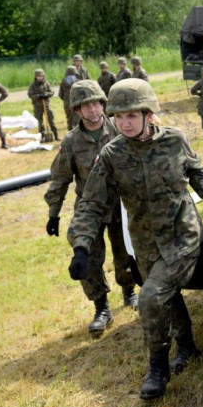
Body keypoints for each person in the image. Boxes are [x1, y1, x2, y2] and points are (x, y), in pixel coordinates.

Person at [68, 78, 203, 400]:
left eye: (131, 115)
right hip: (145, 244)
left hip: (182, 237)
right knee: (167, 295)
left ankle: (158, 367)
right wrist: (81, 245)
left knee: (152, 297)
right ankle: (187, 346)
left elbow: (196, 172)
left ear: (149, 113)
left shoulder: (175, 140)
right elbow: (90, 204)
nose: (124, 123)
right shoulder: (112, 155)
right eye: (119, 117)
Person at [46, 80, 136, 336]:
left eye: (96, 103)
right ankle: (102, 307)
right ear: (77, 110)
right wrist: (53, 214)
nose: (93, 110)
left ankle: (129, 292)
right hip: (91, 209)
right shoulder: (72, 142)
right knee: (88, 259)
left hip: (121, 205)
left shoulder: (119, 129)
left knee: (126, 253)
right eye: (86, 106)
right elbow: (60, 178)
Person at [27, 68, 58, 142]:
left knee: (51, 119)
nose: (40, 77)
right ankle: (42, 136)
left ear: (43, 76)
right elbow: (30, 94)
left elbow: (52, 91)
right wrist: (38, 96)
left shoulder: (46, 83)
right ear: (35, 77)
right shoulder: (32, 85)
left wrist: (46, 94)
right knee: (40, 121)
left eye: (41, 76)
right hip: (37, 106)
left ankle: (56, 135)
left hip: (46, 105)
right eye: (38, 76)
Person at [58, 65, 80, 130]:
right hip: (76, 102)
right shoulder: (77, 81)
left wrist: (66, 100)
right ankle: (77, 134)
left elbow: (60, 95)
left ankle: (70, 134)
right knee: (77, 119)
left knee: (69, 119)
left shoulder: (63, 82)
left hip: (67, 103)